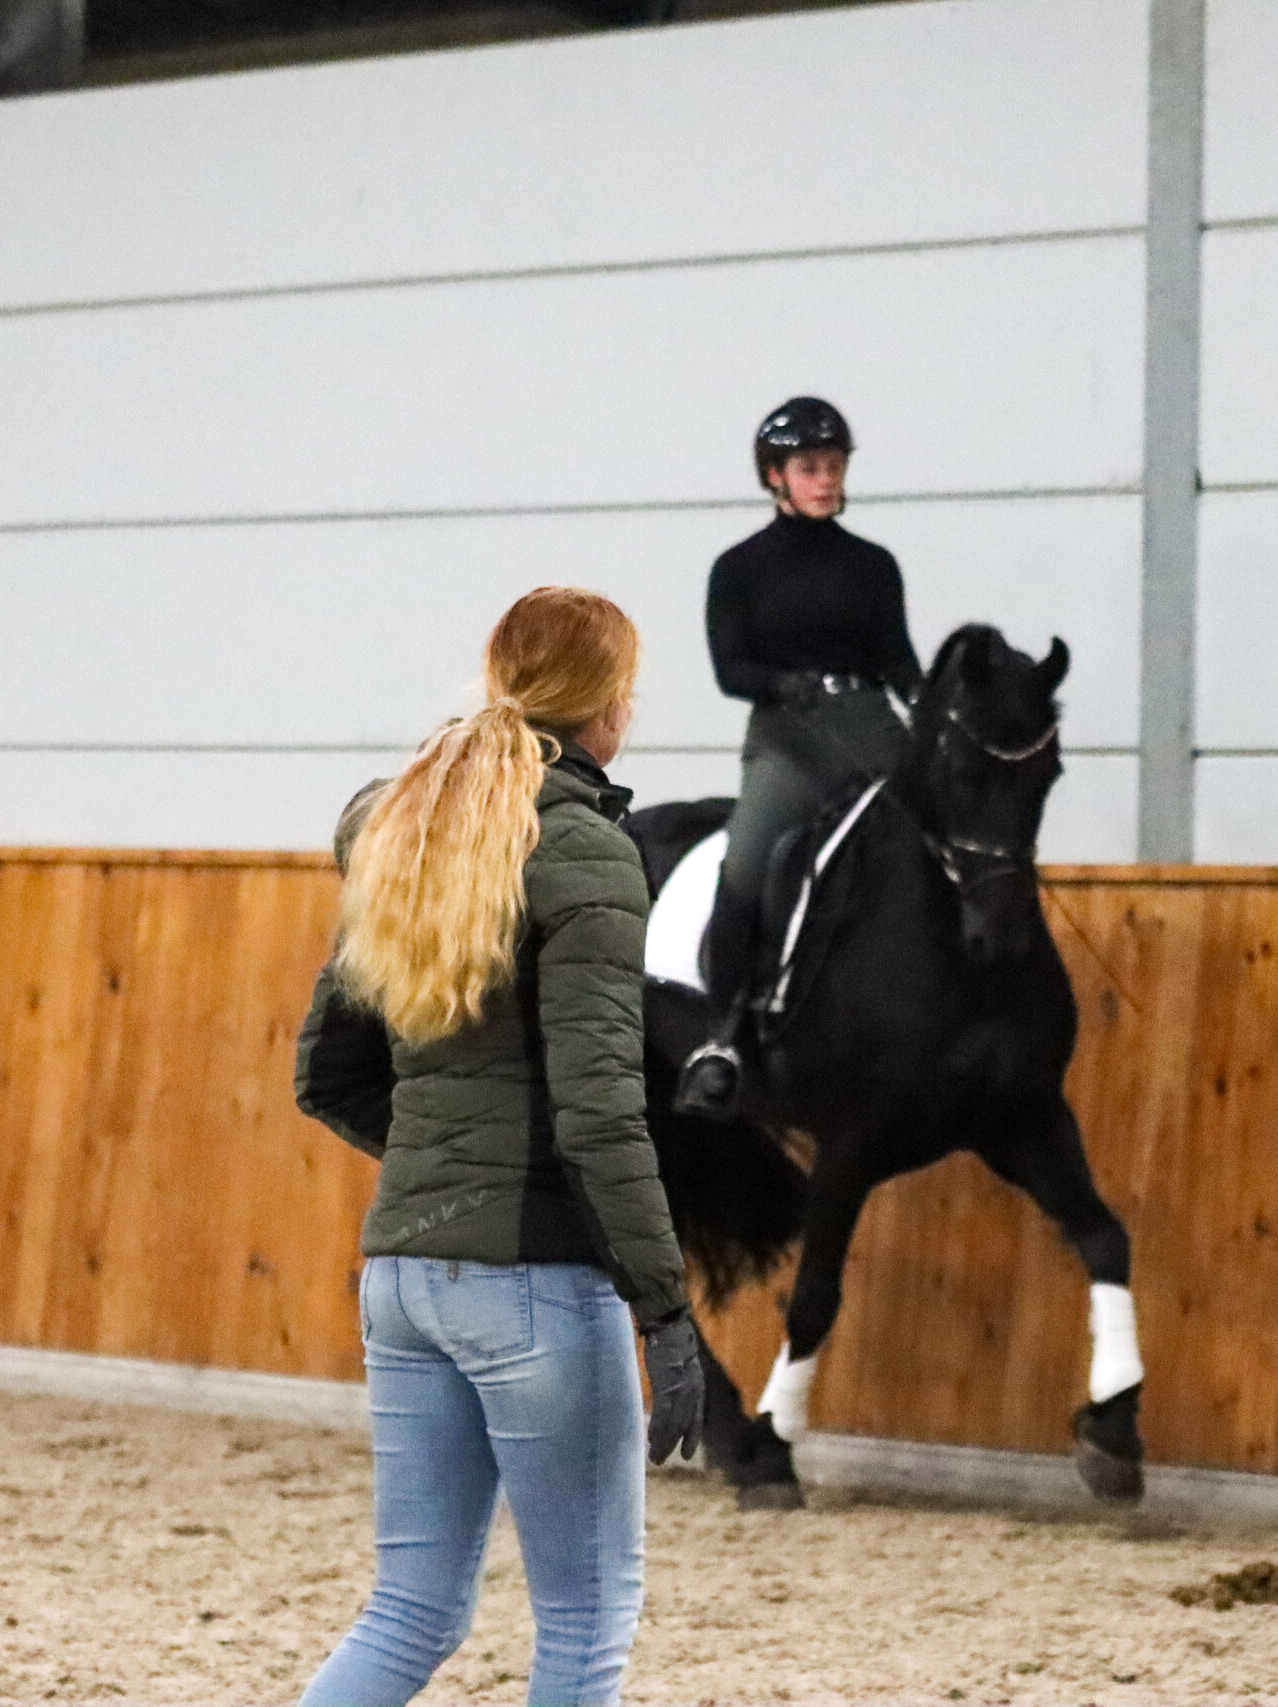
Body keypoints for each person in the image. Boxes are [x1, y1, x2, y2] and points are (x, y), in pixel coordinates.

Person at [291, 586, 704, 1707]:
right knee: (586, 1616)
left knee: (411, 1610)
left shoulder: (411, 831)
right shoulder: (586, 854)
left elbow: (326, 1072)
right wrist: (663, 1305)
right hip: (530, 1285)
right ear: (605, 704)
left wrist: (444, 1176)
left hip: (403, 1277)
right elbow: (599, 1113)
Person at [673, 397, 922, 1119]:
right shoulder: (739, 568)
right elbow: (731, 669)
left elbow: (896, 658)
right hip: (789, 736)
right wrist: (788, 685)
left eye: (834, 466)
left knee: (941, 838)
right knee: (746, 861)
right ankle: (719, 1039)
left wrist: (931, 704)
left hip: (870, 726)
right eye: (810, 468)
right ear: (776, 477)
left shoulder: (874, 566)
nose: (825, 479)